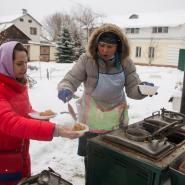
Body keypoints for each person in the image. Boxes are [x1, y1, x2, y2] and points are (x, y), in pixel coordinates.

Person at [57, 23, 156, 177]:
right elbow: (71, 79)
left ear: (118, 47)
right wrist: (66, 89)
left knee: (113, 159)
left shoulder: (126, 63)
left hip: (115, 120)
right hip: (90, 120)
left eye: (110, 46)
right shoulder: (87, 60)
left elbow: (132, 89)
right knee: (91, 159)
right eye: (101, 45)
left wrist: (142, 90)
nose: (104, 50)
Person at [0, 41, 84, 185]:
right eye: (19, 64)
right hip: (3, 160)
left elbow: (26, 112)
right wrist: (55, 130)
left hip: (21, 153)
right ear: (5, 63)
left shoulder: (18, 84)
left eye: (26, 62)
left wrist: (39, 116)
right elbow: (10, 122)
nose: (24, 68)